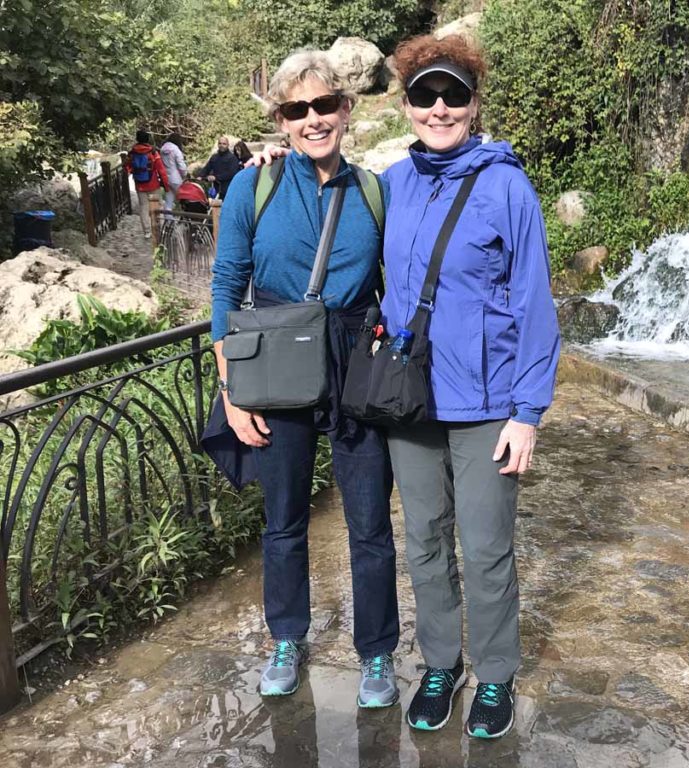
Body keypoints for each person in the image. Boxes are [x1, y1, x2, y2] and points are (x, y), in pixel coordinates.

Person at [207, 49, 399, 706]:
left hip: (355, 361)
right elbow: (227, 287)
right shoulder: (252, 186)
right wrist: (232, 394)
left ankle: (377, 653)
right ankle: (287, 638)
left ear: (346, 110)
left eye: (324, 105)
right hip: (277, 356)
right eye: (297, 110)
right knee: (283, 519)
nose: (313, 119)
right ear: (282, 122)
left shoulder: (375, 191)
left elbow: (402, 284)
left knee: (370, 521)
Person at [382, 35, 560, 739]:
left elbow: (535, 303)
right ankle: (439, 662)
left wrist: (528, 412)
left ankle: (493, 674)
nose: (439, 107)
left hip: (488, 404)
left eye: (453, 93)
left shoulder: (506, 185)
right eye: (425, 95)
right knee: (423, 540)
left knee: (484, 547)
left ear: (475, 102)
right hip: (411, 396)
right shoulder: (392, 184)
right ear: (406, 105)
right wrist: (276, 162)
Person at [123, 129, 169, 237]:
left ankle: (147, 231)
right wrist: (166, 186)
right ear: (147, 139)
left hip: (139, 184)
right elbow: (161, 170)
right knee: (157, 205)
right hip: (153, 183)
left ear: (137, 139)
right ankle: (158, 227)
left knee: (143, 207)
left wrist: (132, 171)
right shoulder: (152, 152)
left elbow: (126, 166)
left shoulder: (132, 153)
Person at [199, 135, 243, 200]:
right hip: (215, 188)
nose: (221, 145)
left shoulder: (232, 158)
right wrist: (200, 176)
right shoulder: (214, 157)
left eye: (224, 144)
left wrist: (216, 177)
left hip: (228, 188)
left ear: (228, 145)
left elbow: (231, 173)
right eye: (220, 143)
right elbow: (207, 168)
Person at [160, 132, 188, 211]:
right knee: (183, 200)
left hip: (166, 178)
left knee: (168, 200)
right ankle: (185, 219)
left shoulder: (162, 149)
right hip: (176, 178)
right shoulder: (176, 150)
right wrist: (184, 174)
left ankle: (169, 220)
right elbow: (181, 166)